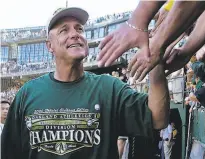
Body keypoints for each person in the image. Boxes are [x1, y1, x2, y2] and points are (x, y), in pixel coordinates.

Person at [1, 7, 169, 159]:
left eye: (79, 28)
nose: (75, 34)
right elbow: (10, 152)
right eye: (64, 30)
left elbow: (157, 119)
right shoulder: (28, 93)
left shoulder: (109, 88)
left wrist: (156, 58)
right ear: (49, 45)